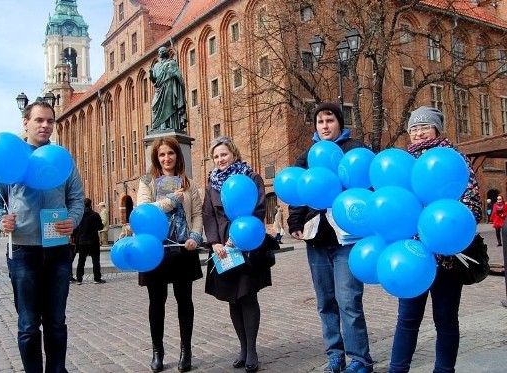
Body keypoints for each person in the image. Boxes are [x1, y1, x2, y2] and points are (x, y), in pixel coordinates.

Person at [0, 100, 84, 373]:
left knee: (56, 321)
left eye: (50, 121)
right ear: (25, 123)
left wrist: (72, 220)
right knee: (28, 324)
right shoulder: (12, 158)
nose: (45, 125)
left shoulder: (61, 158)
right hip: (24, 252)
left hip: (58, 250)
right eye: (39, 120)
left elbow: (76, 198)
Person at [388, 106, 482, 373]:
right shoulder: (401, 163)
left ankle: (444, 370)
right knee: (407, 320)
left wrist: (445, 225)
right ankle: (397, 370)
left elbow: (471, 204)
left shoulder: (455, 160)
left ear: (437, 129)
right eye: (414, 128)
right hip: (411, 256)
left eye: (424, 127)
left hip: (448, 256)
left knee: (446, 320)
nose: (418, 133)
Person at [287, 103, 373, 373]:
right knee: (325, 301)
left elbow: (368, 186)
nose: (325, 126)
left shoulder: (355, 150)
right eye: (320, 121)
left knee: (348, 300)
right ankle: (335, 355)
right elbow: (298, 191)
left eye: (330, 120)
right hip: (317, 239)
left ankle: (360, 359)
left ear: (339, 123)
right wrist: (295, 222)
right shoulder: (307, 155)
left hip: (348, 239)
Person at [203, 136, 272, 373]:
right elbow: (208, 215)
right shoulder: (212, 183)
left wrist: (239, 237)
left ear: (233, 153)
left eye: (224, 154)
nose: (220, 159)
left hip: (247, 243)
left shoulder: (251, 177)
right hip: (223, 248)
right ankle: (242, 348)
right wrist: (214, 242)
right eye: (216, 156)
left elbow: (259, 208)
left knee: (248, 296)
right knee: (233, 298)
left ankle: (252, 350)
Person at [136, 137, 204, 373]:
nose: (166, 158)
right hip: (155, 249)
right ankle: (158, 351)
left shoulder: (189, 184)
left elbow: (197, 214)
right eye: (162, 155)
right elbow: (144, 211)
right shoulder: (147, 182)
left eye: (171, 154)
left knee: (184, 301)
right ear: (156, 157)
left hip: (183, 249)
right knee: (157, 303)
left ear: (177, 156)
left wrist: (195, 236)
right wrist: (172, 199)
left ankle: (186, 351)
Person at [149, 46, 187, 132]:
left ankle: (169, 125)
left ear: (166, 53)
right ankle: (159, 126)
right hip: (159, 89)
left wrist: (181, 85)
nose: (160, 52)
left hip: (169, 86)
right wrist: (151, 75)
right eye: (159, 51)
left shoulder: (171, 63)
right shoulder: (156, 65)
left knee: (169, 106)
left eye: (162, 51)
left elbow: (178, 75)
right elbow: (154, 79)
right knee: (154, 106)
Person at [73, 198, 105, 284]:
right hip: (93, 241)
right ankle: (97, 278)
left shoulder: (79, 216)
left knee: (81, 261)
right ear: (90, 204)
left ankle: (79, 279)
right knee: (95, 260)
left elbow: (75, 229)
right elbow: (100, 227)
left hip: (82, 241)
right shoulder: (95, 215)